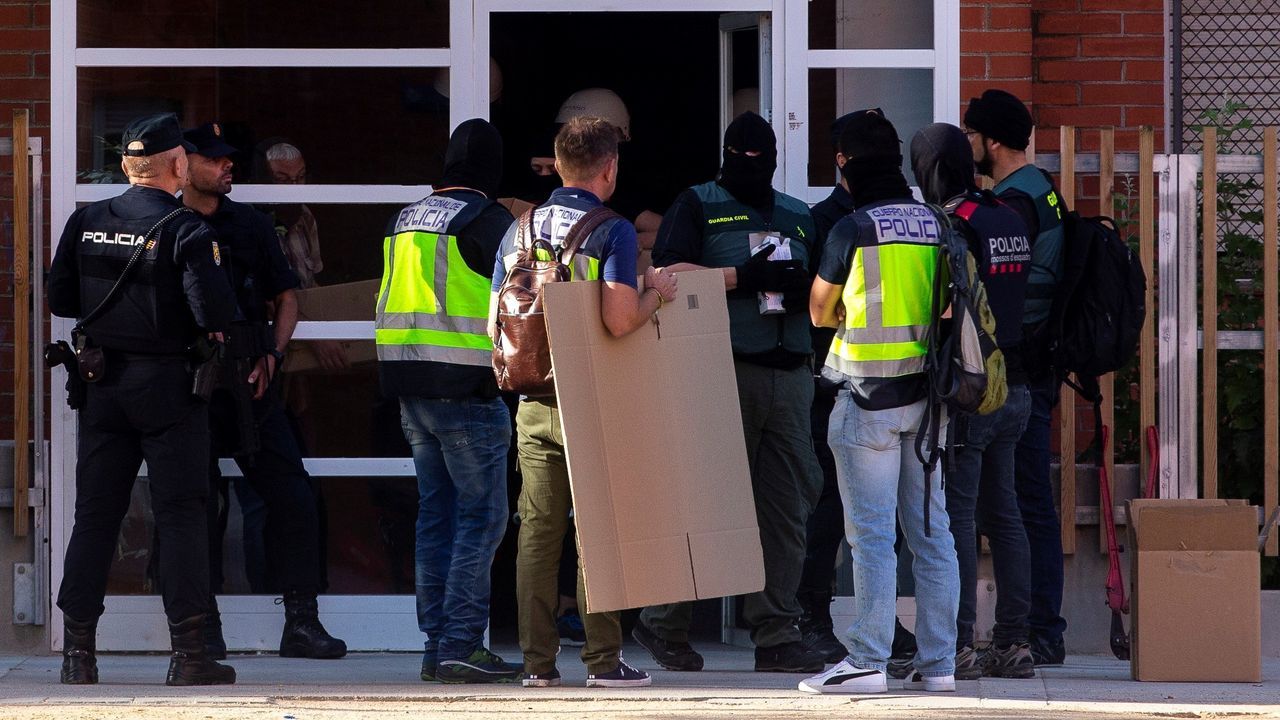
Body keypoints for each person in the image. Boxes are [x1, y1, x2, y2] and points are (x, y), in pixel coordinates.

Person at [48, 112, 238, 685]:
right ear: (176, 165)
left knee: (95, 516)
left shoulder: (86, 221)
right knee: (181, 515)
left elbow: (60, 299)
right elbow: (215, 315)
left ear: (128, 167)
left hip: (102, 386)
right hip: (169, 390)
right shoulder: (187, 229)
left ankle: (77, 655)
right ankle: (190, 656)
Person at [637, 111, 825, 675]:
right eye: (742, 155)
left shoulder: (798, 215)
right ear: (726, 155)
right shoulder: (698, 202)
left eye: (760, 156)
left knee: (787, 507)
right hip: (721, 368)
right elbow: (664, 276)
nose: (752, 164)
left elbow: (822, 286)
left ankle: (775, 632)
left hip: (791, 373)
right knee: (704, 502)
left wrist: (800, 292)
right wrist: (747, 278)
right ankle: (663, 622)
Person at [491, 116, 676, 689]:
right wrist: (656, 296)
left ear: (558, 163)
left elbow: (493, 315)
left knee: (537, 532)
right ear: (609, 168)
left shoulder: (518, 229)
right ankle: (603, 661)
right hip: (589, 400)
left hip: (532, 401)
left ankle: (536, 665)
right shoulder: (610, 229)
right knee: (599, 530)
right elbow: (619, 321)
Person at [800, 109, 958, 694]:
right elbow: (951, 309)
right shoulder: (938, 224)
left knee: (870, 536)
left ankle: (867, 658)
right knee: (932, 535)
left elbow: (819, 311)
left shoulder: (852, 229)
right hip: (929, 403)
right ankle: (939, 664)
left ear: (846, 165)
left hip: (866, 402)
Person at [180, 122, 347, 661]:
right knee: (196, 506)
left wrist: (272, 355)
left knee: (293, 496)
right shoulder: (167, 222)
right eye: (216, 159)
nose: (229, 165)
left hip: (251, 386)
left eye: (231, 158)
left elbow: (288, 296)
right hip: (189, 390)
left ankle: (301, 620)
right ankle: (200, 630)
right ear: (184, 164)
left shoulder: (248, 224)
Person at [375, 119, 519, 683]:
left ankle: (438, 644)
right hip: (467, 390)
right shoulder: (489, 220)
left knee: (436, 515)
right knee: (481, 519)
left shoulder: (402, 219)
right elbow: (526, 296)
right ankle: (461, 642)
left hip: (411, 390)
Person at [910, 122, 1036, 680]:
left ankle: (958, 641)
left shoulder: (952, 223)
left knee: (957, 516)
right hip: (1018, 384)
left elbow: (948, 307)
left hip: (972, 388)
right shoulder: (1009, 215)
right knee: (1005, 514)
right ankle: (1014, 642)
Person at [964, 89, 1069, 666]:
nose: (967, 146)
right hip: (1036, 362)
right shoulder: (1041, 191)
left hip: (1017, 366)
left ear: (993, 141)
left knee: (1020, 502)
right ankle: (1039, 626)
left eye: (972, 135)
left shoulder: (1012, 204)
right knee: (1028, 501)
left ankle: (1036, 628)